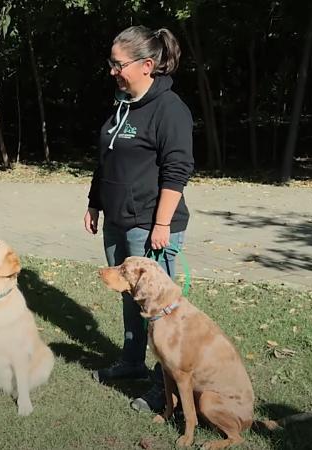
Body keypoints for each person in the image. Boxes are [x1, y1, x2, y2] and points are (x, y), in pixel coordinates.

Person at [84, 26, 194, 414]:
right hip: (117, 220)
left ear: (147, 65)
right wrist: (95, 202)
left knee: (161, 310)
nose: (113, 70)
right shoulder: (121, 103)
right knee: (130, 298)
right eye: (111, 63)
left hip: (151, 225)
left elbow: (177, 170)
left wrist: (161, 225)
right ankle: (133, 362)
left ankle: (167, 388)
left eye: (119, 64)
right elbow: (107, 158)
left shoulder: (170, 109)